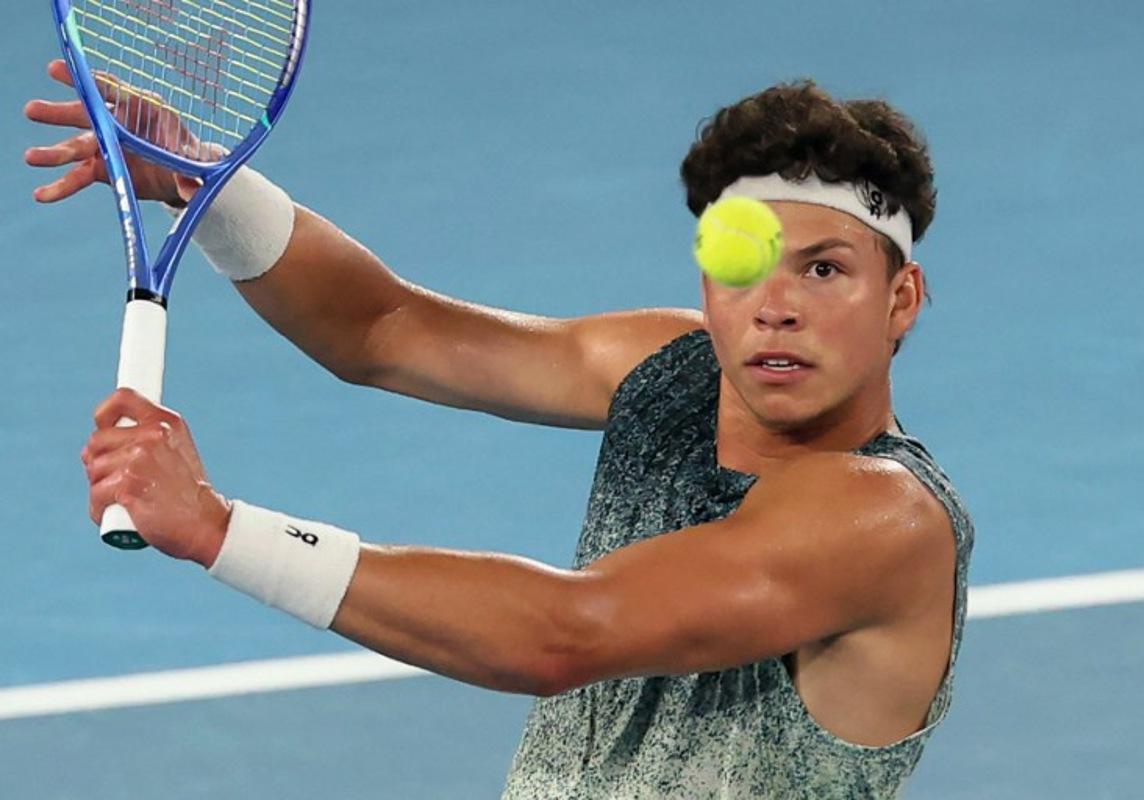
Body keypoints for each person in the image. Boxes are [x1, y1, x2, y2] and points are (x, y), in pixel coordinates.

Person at [25, 60, 973, 798]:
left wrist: (220, 529)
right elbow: (384, 329)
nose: (775, 308)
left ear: (902, 299)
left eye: (824, 270)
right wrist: (209, 186)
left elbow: (561, 634)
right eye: (745, 264)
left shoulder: (881, 519)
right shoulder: (672, 369)